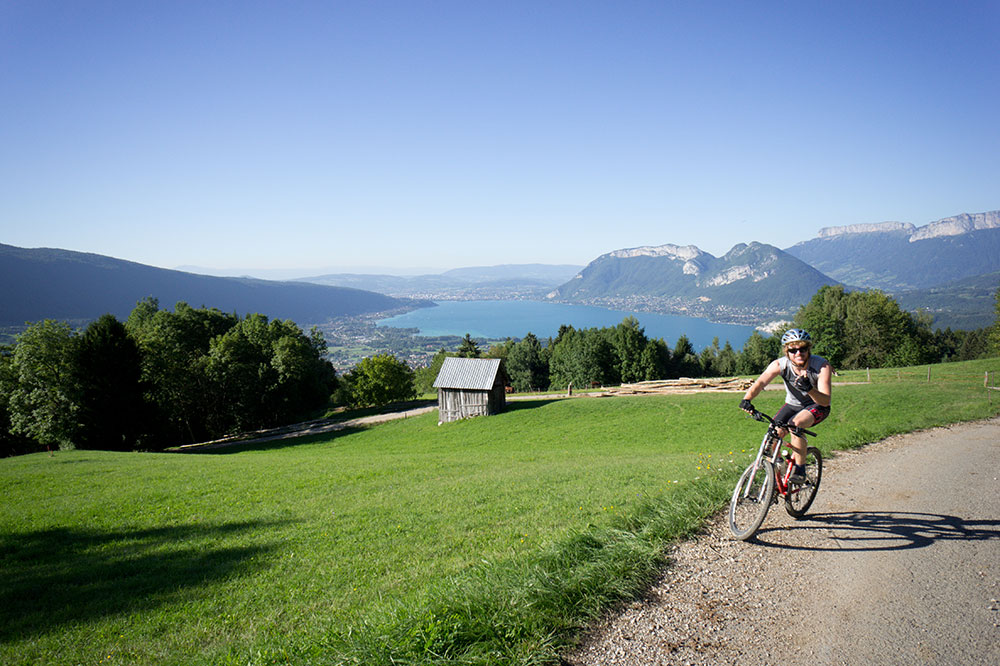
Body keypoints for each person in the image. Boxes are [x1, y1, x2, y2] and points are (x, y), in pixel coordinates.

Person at [739, 328, 832, 485]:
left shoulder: (821, 366)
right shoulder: (780, 365)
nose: (798, 353)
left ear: (808, 349)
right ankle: (777, 472)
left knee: (795, 425)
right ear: (786, 352)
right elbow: (761, 382)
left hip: (817, 406)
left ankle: (800, 469)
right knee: (772, 433)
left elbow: (825, 400)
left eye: (802, 349)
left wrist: (809, 389)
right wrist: (747, 399)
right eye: (793, 350)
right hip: (793, 405)